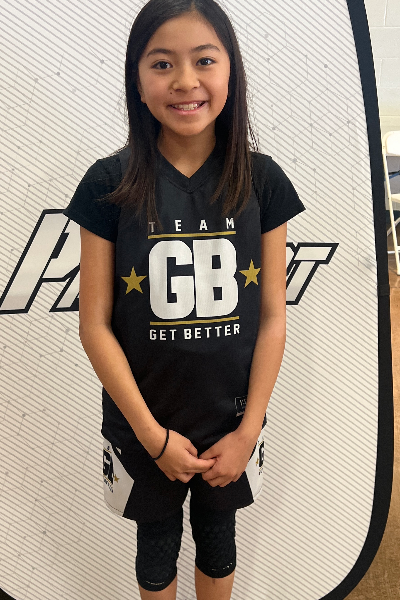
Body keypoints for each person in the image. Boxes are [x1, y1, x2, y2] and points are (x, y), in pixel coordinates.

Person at [64, 0, 305, 598]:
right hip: (145, 425)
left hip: (230, 424)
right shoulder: (107, 184)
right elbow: (93, 326)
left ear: (231, 71)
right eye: (162, 63)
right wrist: (152, 436)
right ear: (137, 78)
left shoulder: (263, 180)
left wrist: (248, 429)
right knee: (156, 547)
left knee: (220, 542)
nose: (185, 81)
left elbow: (273, 318)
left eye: (204, 60)